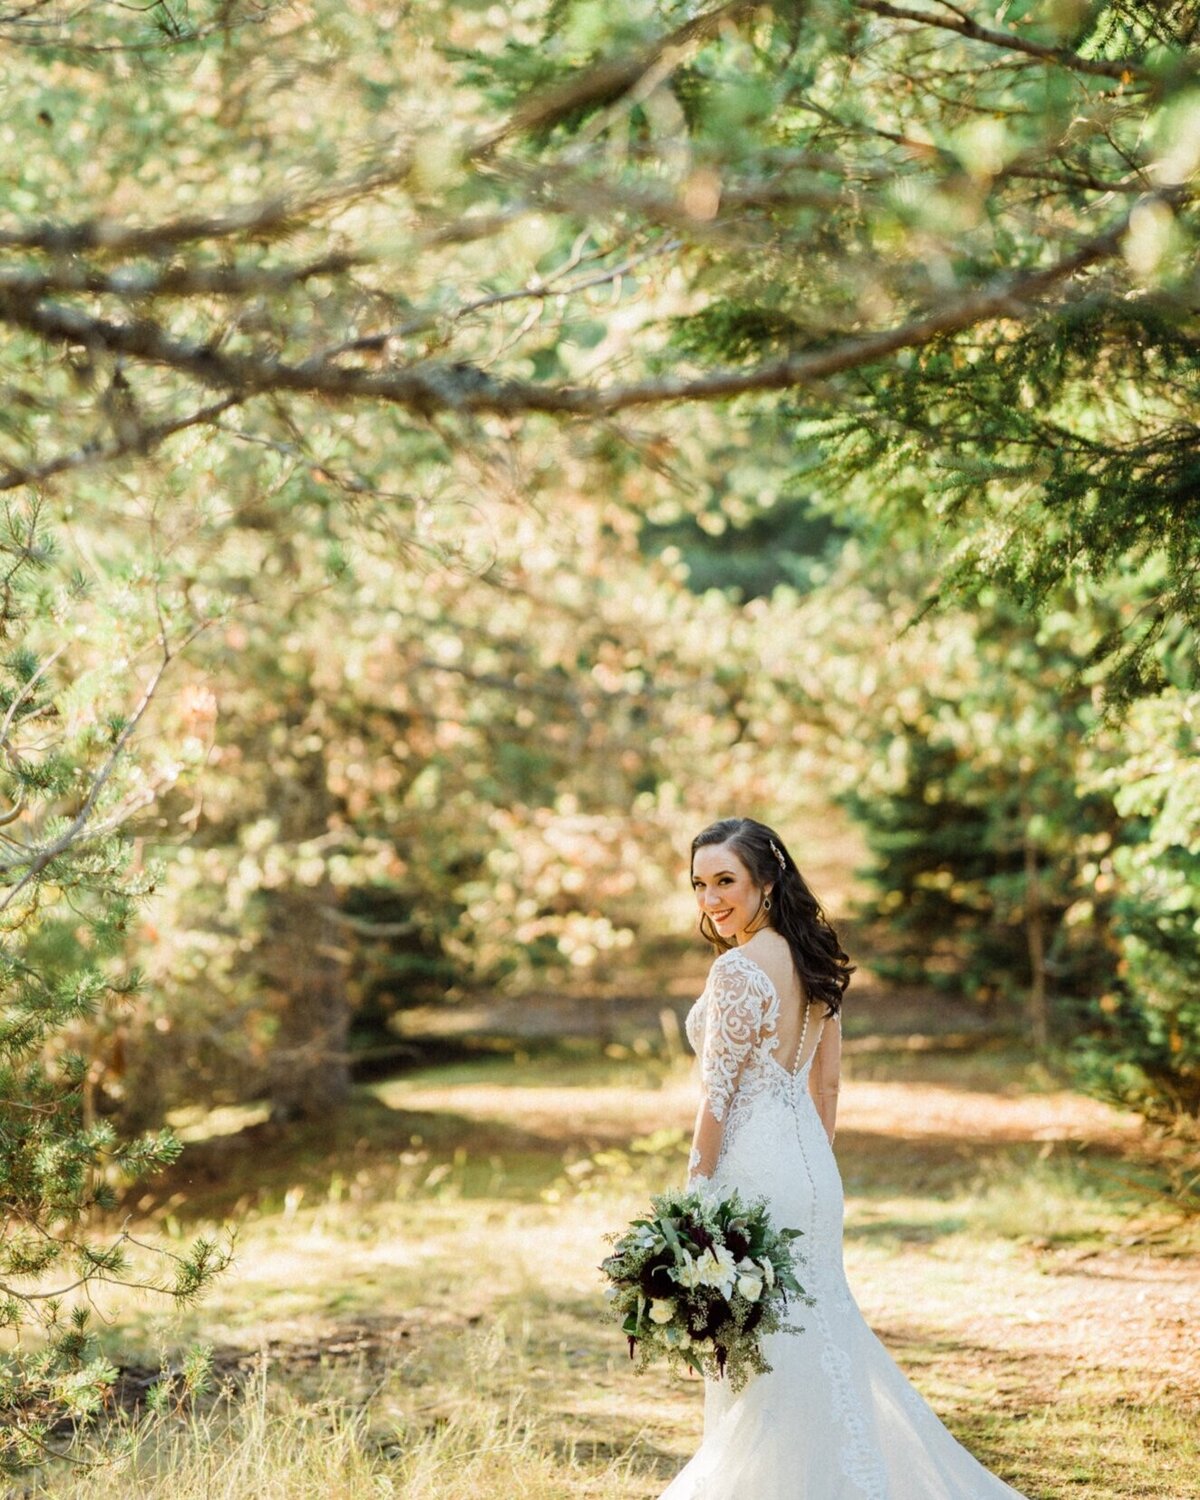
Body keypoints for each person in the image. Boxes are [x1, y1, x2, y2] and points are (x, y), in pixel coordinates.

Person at [661, 816, 1028, 1500]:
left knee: (770, 1350)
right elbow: (825, 1085)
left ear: (766, 883)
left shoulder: (738, 969)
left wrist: (693, 1197)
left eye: (726, 881)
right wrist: (808, 1169)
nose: (711, 899)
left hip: (753, 1168)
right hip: (807, 1167)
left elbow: (718, 1096)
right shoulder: (812, 959)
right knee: (814, 1332)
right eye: (700, 884)